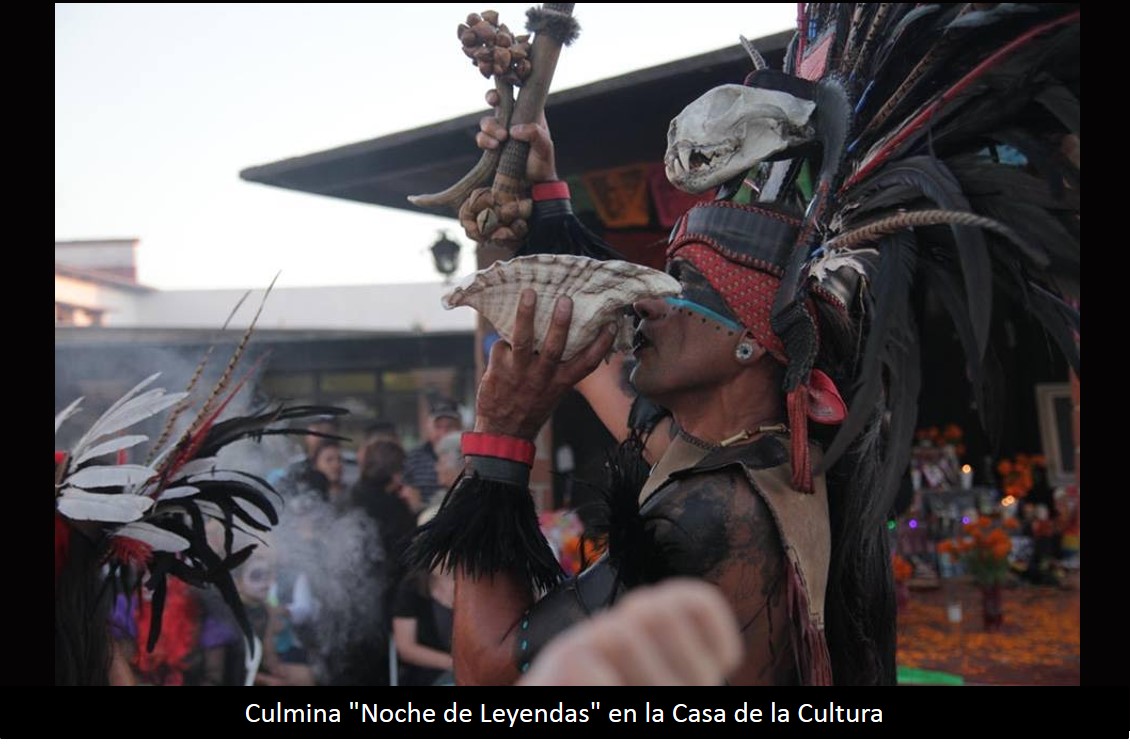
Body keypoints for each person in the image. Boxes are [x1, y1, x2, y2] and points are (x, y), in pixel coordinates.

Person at [410, 4, 1078, 687]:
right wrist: (548, 195)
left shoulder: (710, 519)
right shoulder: (766, 462)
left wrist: (499, 436)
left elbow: (492, 674)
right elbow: (607, 381)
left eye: (686, 283)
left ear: (752, 342)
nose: (649, 301)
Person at [403, 398, 463, 503]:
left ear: (460, 427)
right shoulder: (413, 457)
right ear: (428, 427)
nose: (444, 432)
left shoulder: (468, 456)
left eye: (450, 426)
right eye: (438, 426)